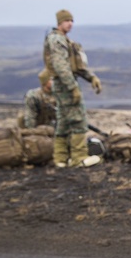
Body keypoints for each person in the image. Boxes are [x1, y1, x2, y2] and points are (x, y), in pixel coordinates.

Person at [43, 9, 103, 168]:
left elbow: (76, 65)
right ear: (59, 22)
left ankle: (60, 159)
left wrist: (91, 77)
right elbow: (61, 67)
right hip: (65, 86)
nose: (70, 23)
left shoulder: (64, 40)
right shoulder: (57, 40)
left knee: (62, 122)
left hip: (63, 85)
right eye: (67, 21)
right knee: (78, 120)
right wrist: (73, 88)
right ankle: (79, 158)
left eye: (72, 21)